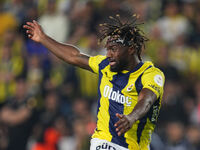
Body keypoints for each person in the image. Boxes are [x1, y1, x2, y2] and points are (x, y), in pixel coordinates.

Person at [23, 14, 165, 150]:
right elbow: (74, 56)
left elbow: (147, 99)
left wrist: (131, 117)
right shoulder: (105, 66)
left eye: (113, 49)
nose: (108, 54)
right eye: (107, 49)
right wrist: (43, 38)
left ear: (131, 49)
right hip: (103, 142)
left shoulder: (150, 74)